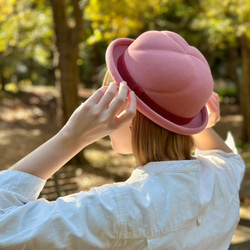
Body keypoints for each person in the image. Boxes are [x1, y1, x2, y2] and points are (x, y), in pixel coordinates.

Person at [0, 30, 245, 250]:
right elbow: (225, 156)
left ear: (128, 109)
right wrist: (186, 108)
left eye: (111, 95)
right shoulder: (223, 177)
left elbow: (4, 226)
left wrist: (70, 138)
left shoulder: (118, 210)